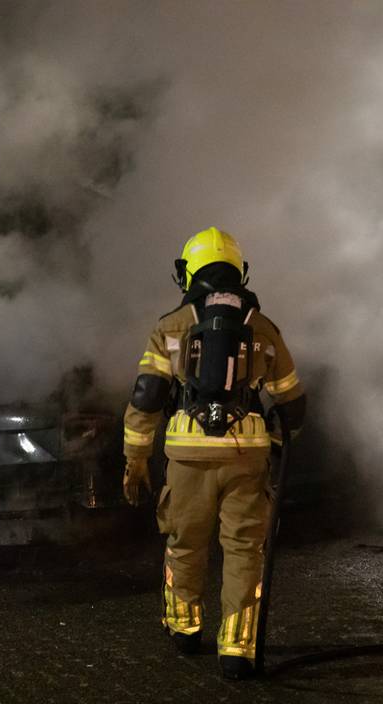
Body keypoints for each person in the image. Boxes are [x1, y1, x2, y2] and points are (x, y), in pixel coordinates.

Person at [121, 227, 306, 680]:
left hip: (187, 458)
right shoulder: (263, 329)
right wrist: (279, 450)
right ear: (238, 272)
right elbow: (292, 403)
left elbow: (147, 396)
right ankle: (237, 651)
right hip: (247, 458)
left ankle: (185, 630)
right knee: (244, 550)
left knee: (185, 544)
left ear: (188, 272)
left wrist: (135, 458)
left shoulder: (171, 326)